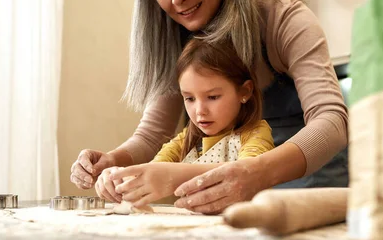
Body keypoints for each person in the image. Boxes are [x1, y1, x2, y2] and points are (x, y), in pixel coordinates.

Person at [70, 0, 349, 214]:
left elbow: (332, 121)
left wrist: (257, 172)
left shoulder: (282, 18)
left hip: (308, 176)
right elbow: (152, 134)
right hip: (230, 185)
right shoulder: (173, 38)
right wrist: (113, 160)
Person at [94, 38, 274, 208]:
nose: (199, 110)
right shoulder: (185, 141)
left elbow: (246, 171)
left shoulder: (256, 133)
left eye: (212, 97)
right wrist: (117, 178)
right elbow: (152, 170)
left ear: (244, 92)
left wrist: (173, 176)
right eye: (189, 98)